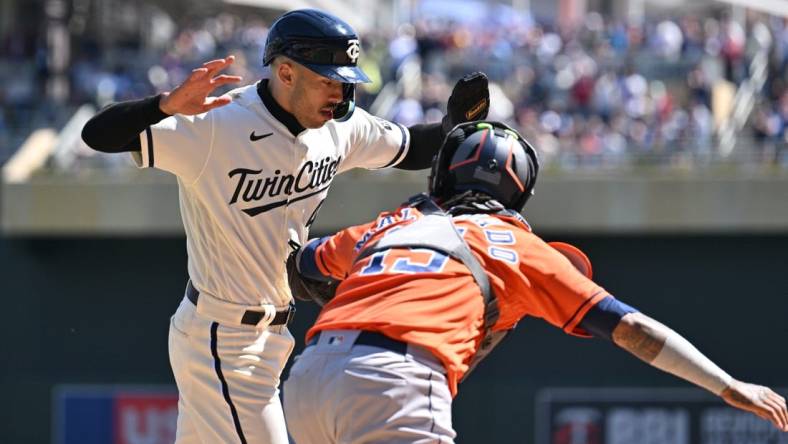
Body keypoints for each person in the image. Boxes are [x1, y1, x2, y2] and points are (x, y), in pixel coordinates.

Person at [80, 8, 490, 444]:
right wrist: (162, 106)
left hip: (269, 337)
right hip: (221, 335)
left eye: (345, 80)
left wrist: (454, 128)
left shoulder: (339, 128)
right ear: (287, 73)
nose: (340, 92)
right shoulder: (217, 123)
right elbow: (97, 135)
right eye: (328, 79)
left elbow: (408, 148)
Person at [283, 120, 788, 443]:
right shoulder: (519, 248)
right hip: (395, 380)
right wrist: (727, 384)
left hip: (308, 378)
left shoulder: (388, 224)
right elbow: (631, 328)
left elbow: (303, 268)